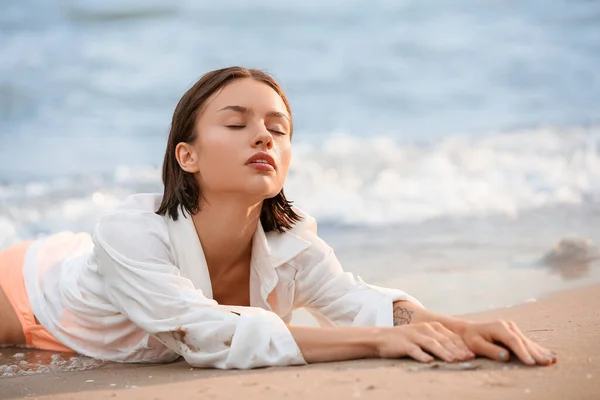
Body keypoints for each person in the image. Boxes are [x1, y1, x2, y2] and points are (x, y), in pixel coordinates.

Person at [0, 66, 557, 370]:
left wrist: (460, 327)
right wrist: (377, 344)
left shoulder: (290, 241)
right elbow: (207, 335)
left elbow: (358, 301)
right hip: (30, 291)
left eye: (277, 127)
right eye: (236, 123)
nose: (263, 135)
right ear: (186, 156)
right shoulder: (127, 232)